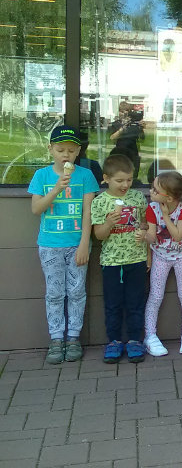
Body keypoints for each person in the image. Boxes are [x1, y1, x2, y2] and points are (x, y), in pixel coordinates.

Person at [29, 126, 99, 364]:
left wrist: (84, 244)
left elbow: (88, 212)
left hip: (77, 244)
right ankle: (56, 338)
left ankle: (73, 337)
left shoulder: (85, 176)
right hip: (50, 244)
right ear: (51, 149)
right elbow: (36, 209)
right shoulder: (42, 176)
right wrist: (57, 188)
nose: (65, 155)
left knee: (77, 292)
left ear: (78, 151)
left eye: (71, 150)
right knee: (55, 293)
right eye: (60, 150)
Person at [91, 154, 148, 363]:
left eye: (129, 180)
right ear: (106, 178)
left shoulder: (138, 198)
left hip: (137, 258)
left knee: (135, 303)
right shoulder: (99, 202)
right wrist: (109, 223)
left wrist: (143, 231)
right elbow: (99, 235)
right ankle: (114, 341)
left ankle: (134, 341)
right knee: (113, 304)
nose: (125, 185)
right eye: (120, 180)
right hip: (112, 262)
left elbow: (145, 223)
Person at [143, 171, 182, 356]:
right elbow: (152, 236)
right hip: (160, 256)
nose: (151, 192)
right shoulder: (151, 208)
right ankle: (150, 335)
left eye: (155, 190)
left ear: (169, 197)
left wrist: (166, 216)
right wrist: (144, 235)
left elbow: (178, 236)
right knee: (156, 295)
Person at [109, 102, 145, 179]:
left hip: (133, 152)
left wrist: (142, 127)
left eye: (126, 111)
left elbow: (142, 139)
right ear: (119, 112)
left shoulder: (134, 124)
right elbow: (112, 138)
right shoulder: (116, 124)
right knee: (118, 175)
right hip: (120, 153)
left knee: (133, 176)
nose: (124, 114)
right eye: (122, 112)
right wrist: (122, 128)